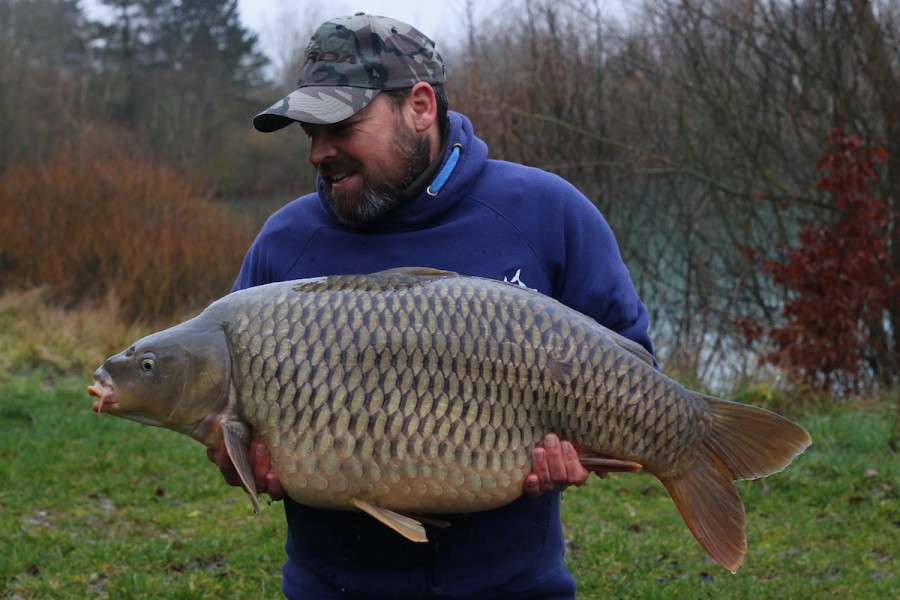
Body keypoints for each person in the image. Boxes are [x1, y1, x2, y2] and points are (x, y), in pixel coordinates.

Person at [208, 13, 654, 599]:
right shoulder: (284, 243)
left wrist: (586, 451)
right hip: (332, 588)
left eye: (340, 125)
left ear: (420, 107)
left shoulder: (547, 214)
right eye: (308, 133)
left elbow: (635, 373)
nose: (319, 152)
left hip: (515, 587)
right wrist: (239, 458)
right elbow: (231, 426)